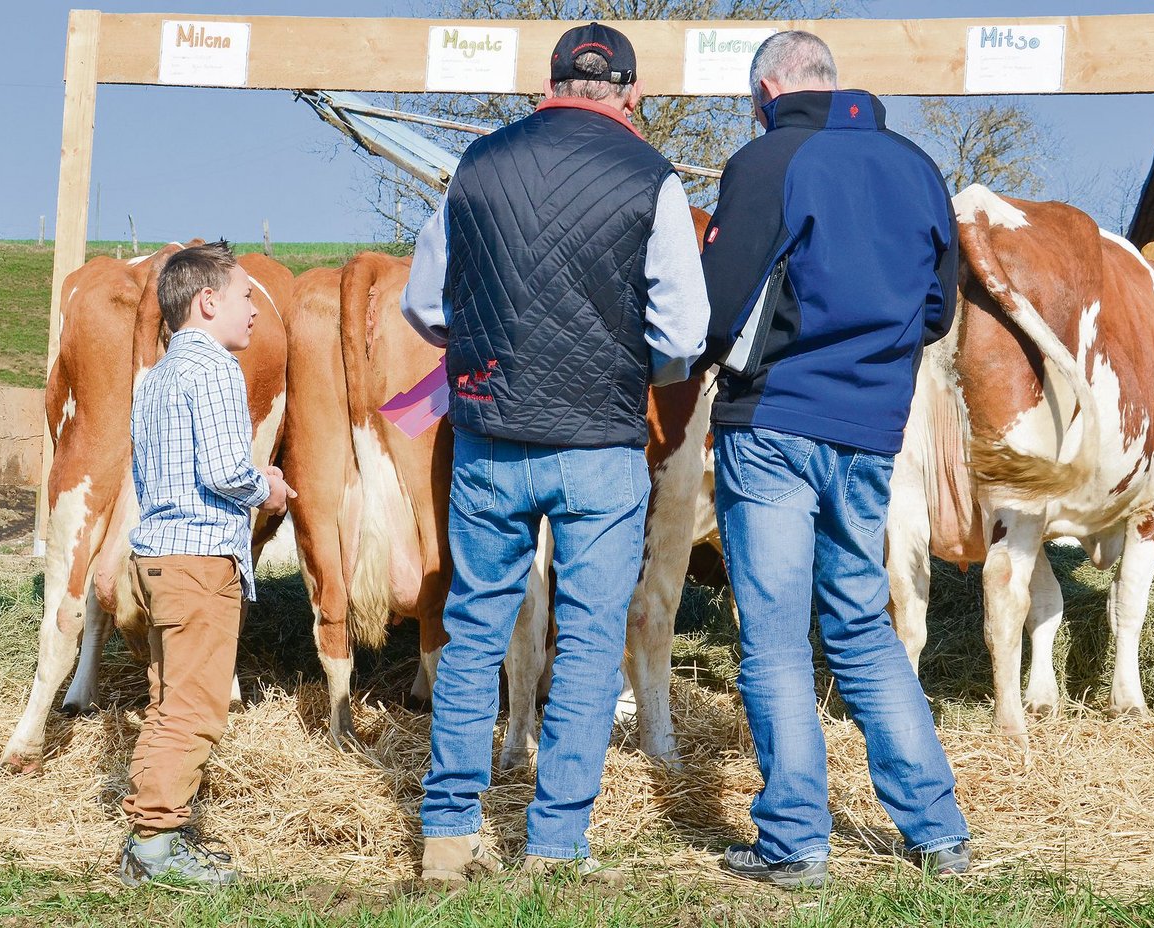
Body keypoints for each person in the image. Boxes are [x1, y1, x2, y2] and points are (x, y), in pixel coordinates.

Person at [400, 22, 710, 884]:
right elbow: (683, 330)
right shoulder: (654, 179)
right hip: (600, 445)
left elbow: (424, 306)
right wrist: (624, 361)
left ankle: (447, 838)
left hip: (489, 433)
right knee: (588, 638)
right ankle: (555, 845)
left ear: (548, 85)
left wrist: (487, 348)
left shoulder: (477, 166)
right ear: (631, 95)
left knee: (471, 631)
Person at [698, 32, 970, 889]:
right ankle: (938, 832)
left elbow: (716, 305)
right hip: (868, 431)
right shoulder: (917, 166)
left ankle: (794, 843)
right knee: (862, 628)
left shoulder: (768, 161)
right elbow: (936, 307)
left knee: (775, 639)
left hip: (775, 421)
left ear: (771, 88)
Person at [116, 240, 294, 888]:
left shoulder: (157, 375)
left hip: (155, 558)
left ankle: (152, 836)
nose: (255, 311)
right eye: (247, 298)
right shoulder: (215, 368)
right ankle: (156, 845)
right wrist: (267, 487)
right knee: (195, 710)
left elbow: (154, 469)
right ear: (208, 300)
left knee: (168, 704)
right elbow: (224, 471)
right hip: (199, 563)